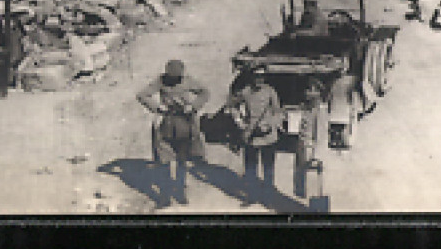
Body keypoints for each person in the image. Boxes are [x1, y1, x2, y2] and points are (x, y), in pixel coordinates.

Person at [136, 59, 210, 206]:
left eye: (177, 77)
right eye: (172, 77)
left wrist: (193, 106)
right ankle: (165, 195)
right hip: (166, 124)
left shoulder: (188, 81)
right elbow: (142, 95)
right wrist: (157, 107)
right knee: (164, 161)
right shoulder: (160, 80)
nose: (174, 80)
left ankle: (181, 192)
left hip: (184, 124)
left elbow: (205, 92)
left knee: (182, 160)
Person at [224, 68, 285, 202]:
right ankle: (251, 195)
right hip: (251, 135)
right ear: (252, 78)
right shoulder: (246, 92)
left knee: (268, 167)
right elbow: (231, 106)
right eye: (257, 77)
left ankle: (269, 196)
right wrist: (240, 123)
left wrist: (271, 124)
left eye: (262, 77)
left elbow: (278, 111)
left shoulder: (270, 91)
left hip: (268, 135)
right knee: (251, 168)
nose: (259, 80)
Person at [293, 79, 330, 212]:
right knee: (305, 184)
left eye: (311, 90)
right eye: (307, 89)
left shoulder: (320, 110)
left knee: (315, 185)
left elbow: (321, 133)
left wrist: (317, 156)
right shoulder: (308, 108)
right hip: (304, 148)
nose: (307, 93)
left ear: (319, 93)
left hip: (312, 151)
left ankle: (318, 213)